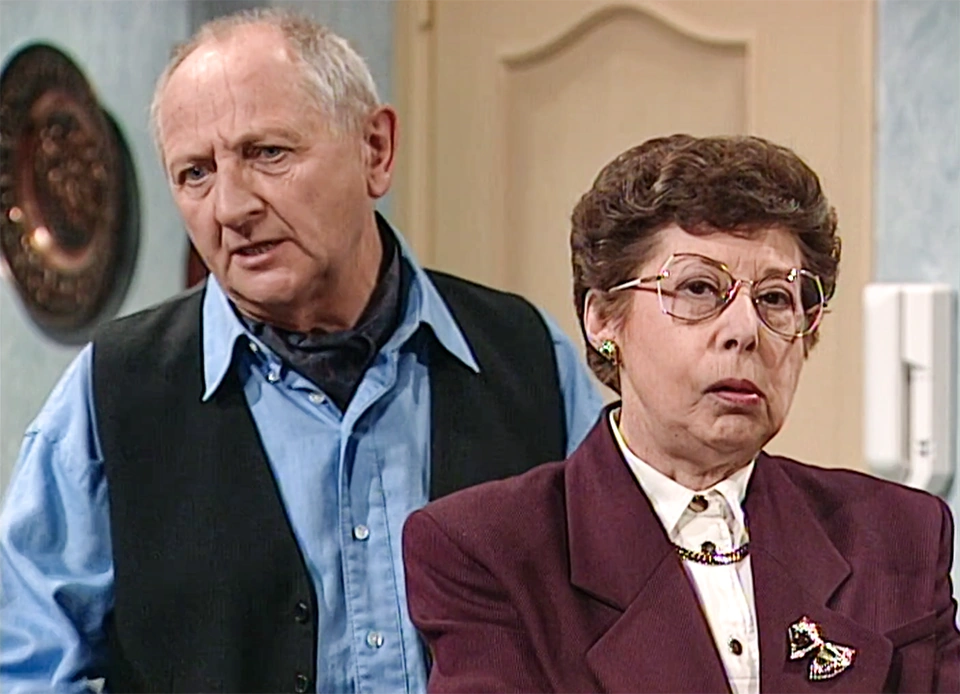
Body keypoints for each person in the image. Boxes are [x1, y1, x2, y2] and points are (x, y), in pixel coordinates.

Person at [0, 9, 603, 694]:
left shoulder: (527, 357)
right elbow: (25, 671)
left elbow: (624, 618)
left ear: (375, 150)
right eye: (195, 173)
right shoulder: (113, 394)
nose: (231, 207)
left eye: (268, 154)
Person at [402, 134, 960, 693]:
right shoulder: (488, 549)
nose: (745, 330)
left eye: (774, 298)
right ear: (603, 320)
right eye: (699, 288)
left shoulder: (895, 535)